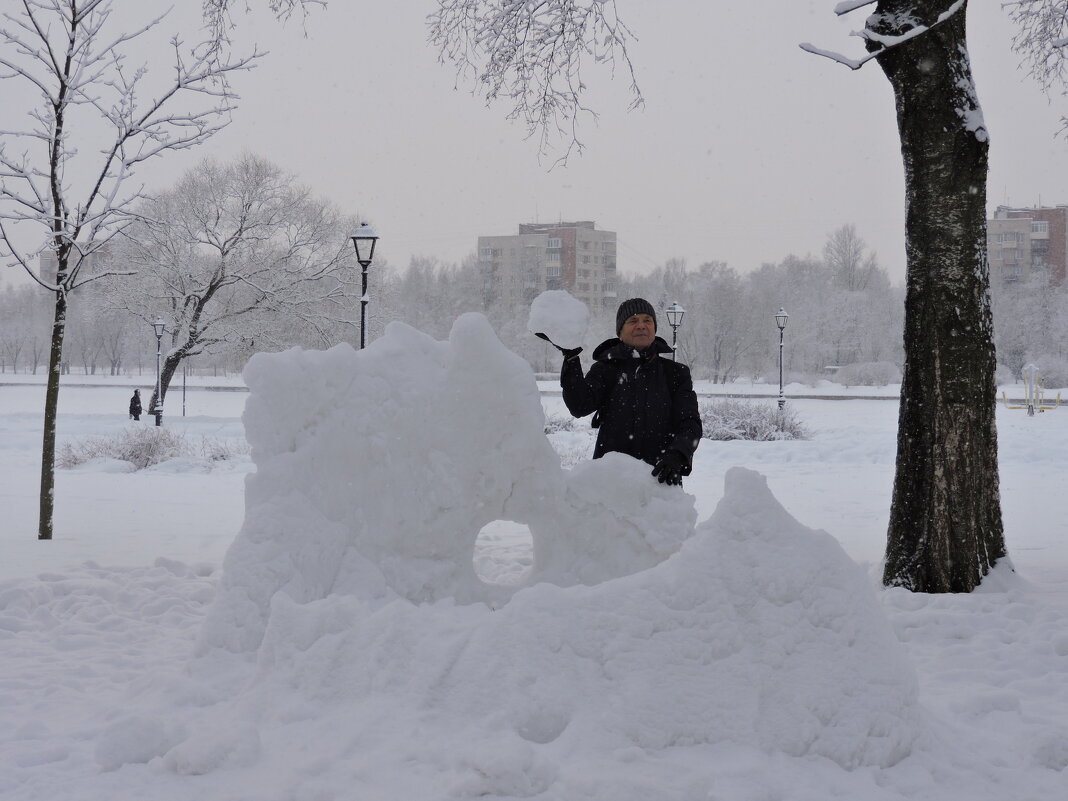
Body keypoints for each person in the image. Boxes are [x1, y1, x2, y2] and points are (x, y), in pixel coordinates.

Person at [559, 298, 702, 486]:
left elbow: (689, 423)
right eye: (633, 321)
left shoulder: (675, 373)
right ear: (620, 332)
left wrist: (677, 455)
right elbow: (580, 406)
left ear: (655, 328)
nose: (641, 326)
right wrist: (571, 359)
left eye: (647, 320)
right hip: (610, 481)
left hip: (659, 480)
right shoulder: (605, 369)